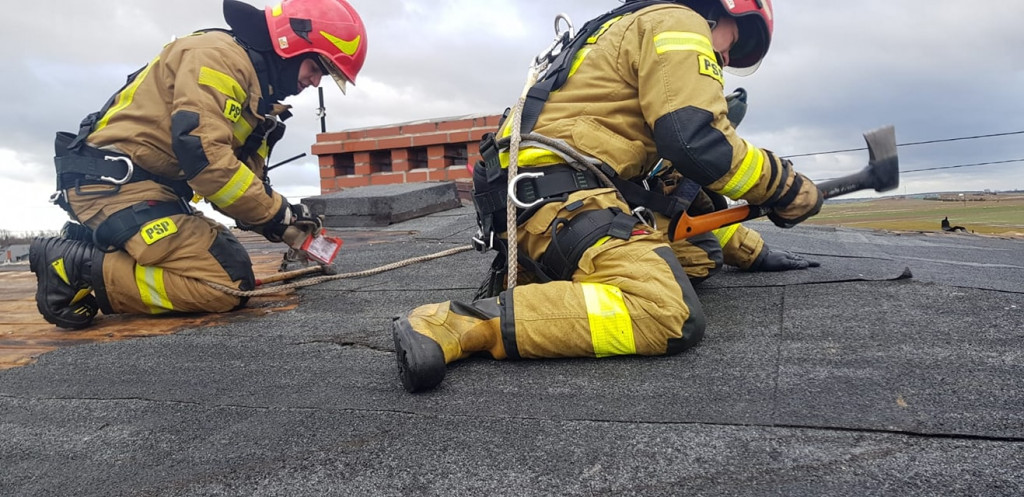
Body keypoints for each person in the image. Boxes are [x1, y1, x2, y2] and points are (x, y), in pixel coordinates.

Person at [393, 0, 823, 392]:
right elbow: (698, 144)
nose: (726, 59)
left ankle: (559, 285)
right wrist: (788, 187)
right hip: (557, 195)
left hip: (543, 195)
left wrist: (751, 250)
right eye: (738, 41)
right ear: (720, 8)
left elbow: (678, 191)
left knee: (698, 253)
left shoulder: (626, 33)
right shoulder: (678, 21)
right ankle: (454, 324)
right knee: (666, 312)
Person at [30, 0, 367, 330]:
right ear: (291, 44)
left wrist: (283, 224)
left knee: (230, 260)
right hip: (114, 188)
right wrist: (281, 215)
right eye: (318, 68)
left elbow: (242, 180)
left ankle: (88, 242)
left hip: (141, 191)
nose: (315, 82)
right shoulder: (218, 59)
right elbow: (206, 161)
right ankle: (76, 267)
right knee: (224, 284)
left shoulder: (257, 95)